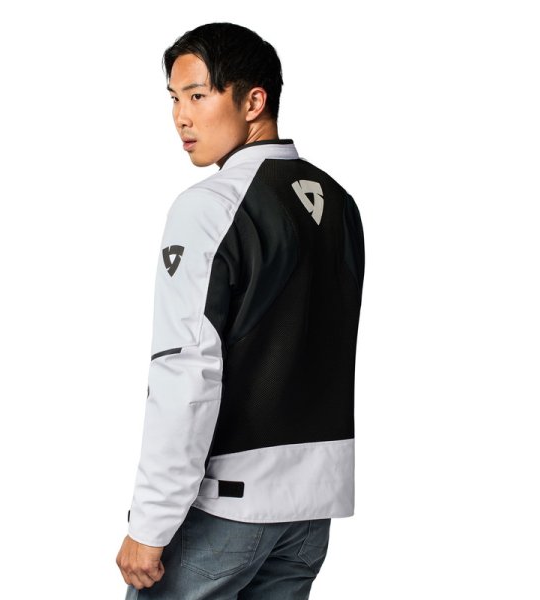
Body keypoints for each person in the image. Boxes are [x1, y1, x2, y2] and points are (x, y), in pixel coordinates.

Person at [116, 22, 365, 599]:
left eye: (198, 95)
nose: (181, 117)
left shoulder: (210, 206)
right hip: (312, 511)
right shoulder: (339, 204)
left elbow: (186, 371)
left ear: (254, 102)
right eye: (174, 99)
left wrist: (150, 523)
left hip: (227, 507)